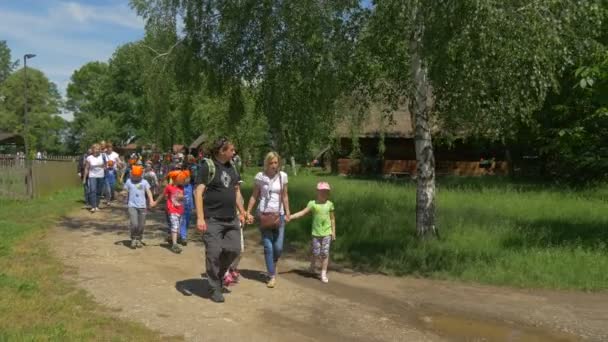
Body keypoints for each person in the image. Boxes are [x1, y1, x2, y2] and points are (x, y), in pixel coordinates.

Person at [194, 137, 247, 303]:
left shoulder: (232, 167)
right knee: (214, 253)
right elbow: (198, 192)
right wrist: (200, 218)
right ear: (221, 151)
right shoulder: (207, 166)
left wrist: (243, 211)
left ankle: (217, 276)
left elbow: (237, 191)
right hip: (212, 219)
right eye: (231, 150)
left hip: (231, 218)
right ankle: (214, 286)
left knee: (234, 249)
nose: (234, 152)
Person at [245, 151, 291, 288]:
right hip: (264, 214)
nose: (273, 165)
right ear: (266, 163)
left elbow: (285, 196)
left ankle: (272, 264)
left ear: (279, 163)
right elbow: (254, 195)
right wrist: (248, 211)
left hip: (279, 214)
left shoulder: (283, 176)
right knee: (268, 246)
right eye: (271, 163)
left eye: (276, 162)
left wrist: (288, 211)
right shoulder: (260, 177)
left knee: (278, 247)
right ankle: (271, 276)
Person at [290, 182, 336, 284]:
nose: (324, 193)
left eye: (326, 192)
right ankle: (312, 267)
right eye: (321, 191)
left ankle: (323, 273)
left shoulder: (330, 204)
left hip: (327, 233)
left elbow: (332, 219)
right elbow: (302, 212)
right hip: (316, 233)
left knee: (324, 253)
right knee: (316, 252)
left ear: (328, 193)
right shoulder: (312, 204)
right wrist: (291, 216)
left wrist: (333, 232)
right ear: (317, 192)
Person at [153, 170, 186, 254]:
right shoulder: (169, 187)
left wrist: (182, 197)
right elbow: (162, 195)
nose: (183, 180)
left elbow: (182, 199)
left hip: (180, 210)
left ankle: (170, 238)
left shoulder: (181, 188)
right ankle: (174, 245)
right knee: (175, 226)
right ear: (175, 179)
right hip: (172, 210)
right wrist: (155, 203)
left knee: (177, 228)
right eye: (181, 178)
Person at [123, 165, 154, 249]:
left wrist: (151, 200)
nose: (135, 178)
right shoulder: (129, 181)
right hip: (132, 205)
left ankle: (139, 239)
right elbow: (125, 191)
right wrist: (123, 194)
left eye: (137, 176)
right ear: (131, 174)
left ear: (141, 175)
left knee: (141, 225)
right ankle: (133, 238)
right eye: (134, 176)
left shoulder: (144, 182)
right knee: (134, 224)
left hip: (142, 206)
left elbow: (148, 192)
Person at [83, 144, 106, 213]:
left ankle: (97, 206)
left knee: (99, 192)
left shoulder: (102, 156)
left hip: (101, 176)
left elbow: (105, 166)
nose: (97, 150)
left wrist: (104, 166)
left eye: (99, 149)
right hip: (92, 176)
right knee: (92, 190)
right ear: (93, 150)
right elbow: (86, 168)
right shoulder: (89, 158)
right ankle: (93, 207)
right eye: (96, 149)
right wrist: (84, 178)